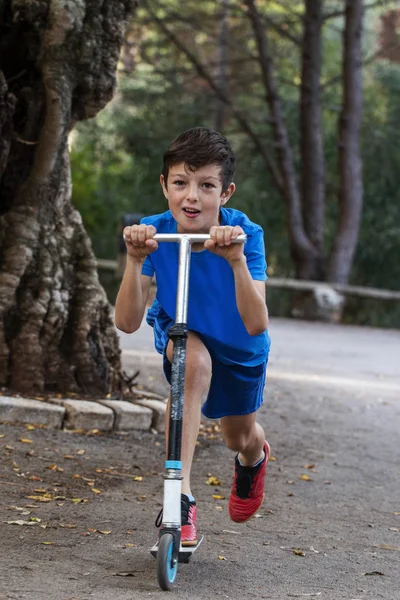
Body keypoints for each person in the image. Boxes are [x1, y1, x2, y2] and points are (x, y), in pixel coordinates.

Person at [115, 127, 271, 547]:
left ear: (226, 193)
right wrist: (134, 262)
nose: (192, 197)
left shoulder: (245, 235)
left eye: (206, 186)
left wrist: (236, 261)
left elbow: (257, 323)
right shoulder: (154, 232)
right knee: (191, 362)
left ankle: (253, 457)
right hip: (186, 331)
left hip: (240, 344)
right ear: (164, 185)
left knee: (237, 435)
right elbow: (127, 322)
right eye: (181, 183)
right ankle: (178, 497)